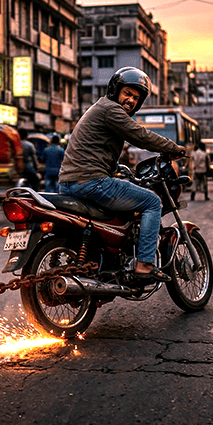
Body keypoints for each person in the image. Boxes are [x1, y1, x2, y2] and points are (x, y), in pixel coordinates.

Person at [58, 67, 186, 284]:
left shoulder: (99, 109)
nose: (130, 100)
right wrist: (174, 148)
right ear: (115, 90)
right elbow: (139, 135)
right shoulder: (111, 110)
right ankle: (144, 265)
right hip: (91, 182)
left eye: (136, 98)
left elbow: (96, 149)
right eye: (127, 93)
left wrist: (119, 169)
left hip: (70, 183)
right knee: (152, 202)